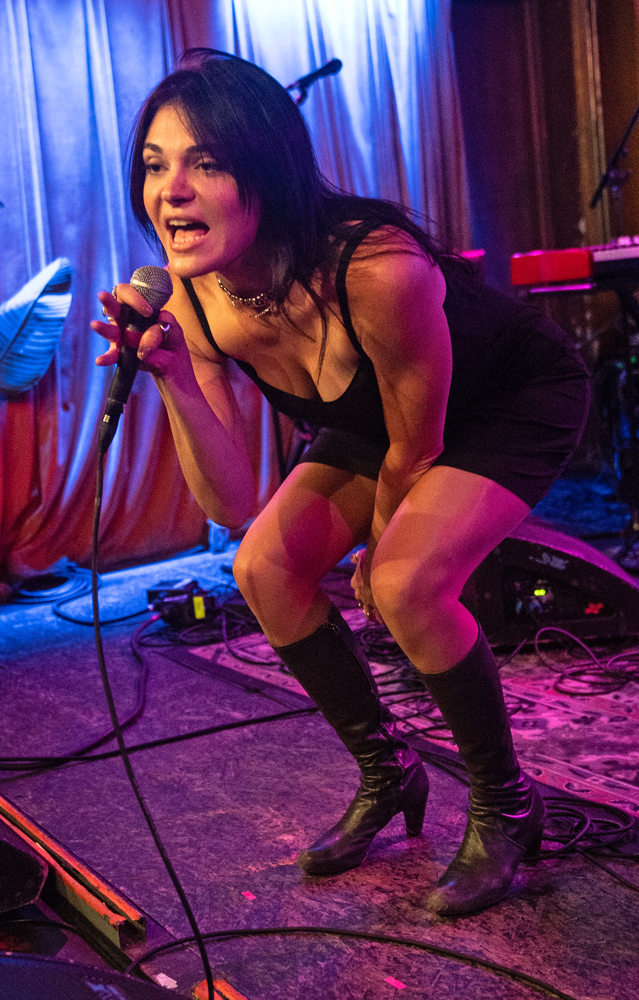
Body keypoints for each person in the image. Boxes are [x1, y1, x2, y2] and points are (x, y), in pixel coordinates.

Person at [91, 49, 590, 915]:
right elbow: (229, 504)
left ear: (267, 169)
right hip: (376, 420)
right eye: (155, 166)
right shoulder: (196, 296)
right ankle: (388, 770)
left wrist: (378, 550)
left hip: (506, 400)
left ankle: (509, 806)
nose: (171, 192)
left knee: (404, 583)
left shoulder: (376, 268)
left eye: (205, 162)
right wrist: (173, 378)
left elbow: (417, 447)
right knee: (260, 568)